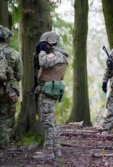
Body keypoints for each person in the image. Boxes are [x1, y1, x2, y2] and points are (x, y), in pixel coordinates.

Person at [32, 31, 68, 160]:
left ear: (50, 43)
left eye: (44, 44)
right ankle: (56, 148)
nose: (43, 46)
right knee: (51, 120)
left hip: (49, 91)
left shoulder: (58, 54)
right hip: (46, 89)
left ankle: (48, 151)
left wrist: (41, 51)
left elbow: (44, 63)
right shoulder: (54, 53)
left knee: (48, 122)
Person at [0, 25, 23, 151]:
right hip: (8, 91)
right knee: (5, 118)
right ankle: (2, 148)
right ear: (6, 38)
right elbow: (19, 75)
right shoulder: (14, 54)